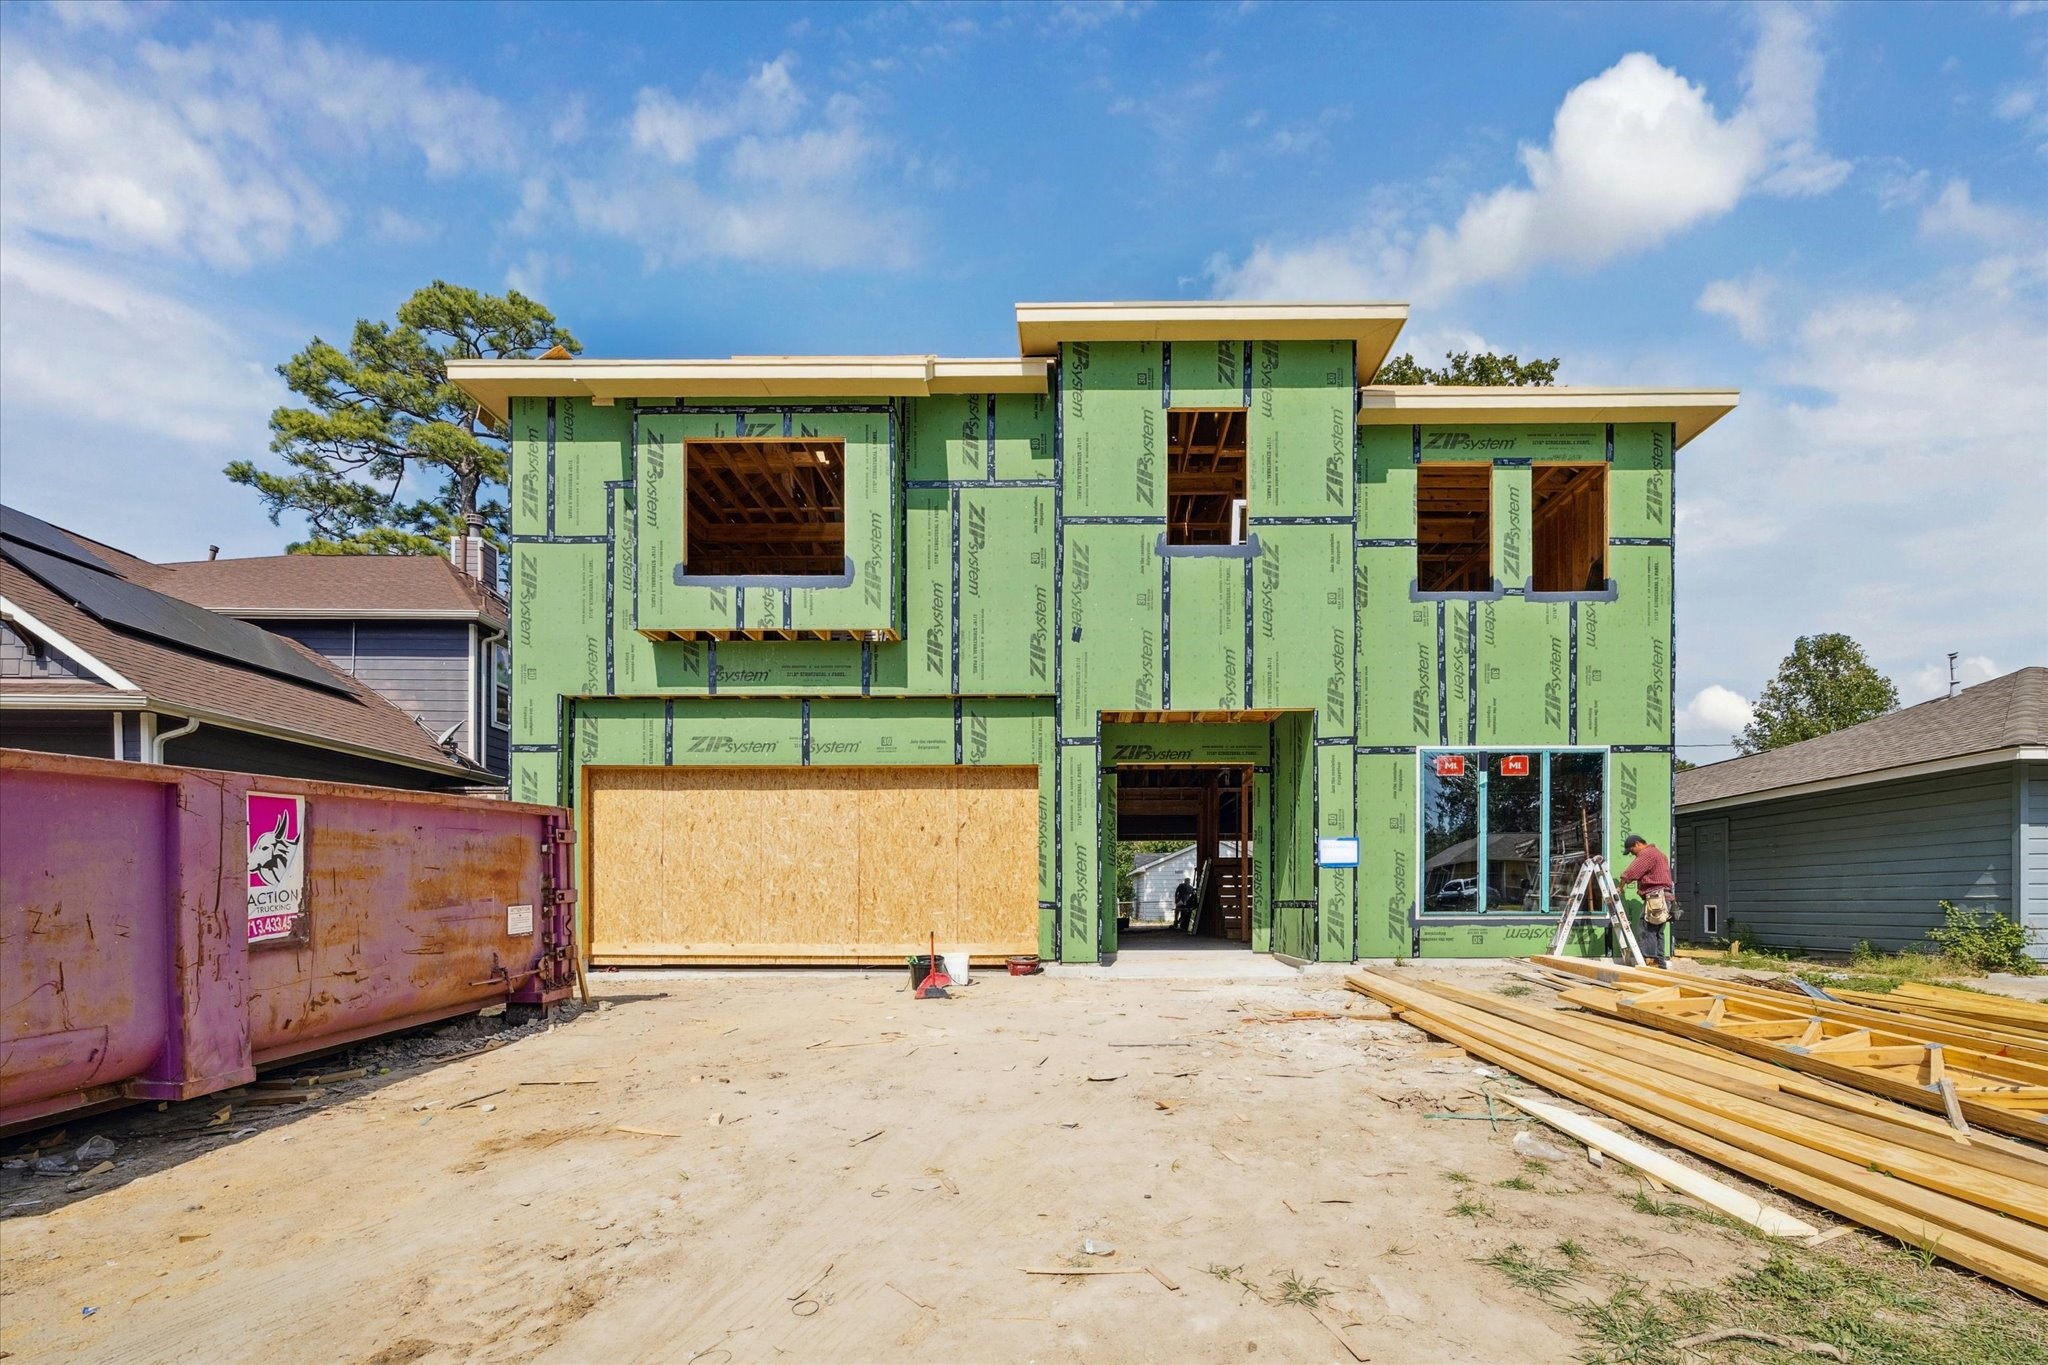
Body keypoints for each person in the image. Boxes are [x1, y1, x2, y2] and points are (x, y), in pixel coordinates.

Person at [1616, 834, 1675, 968]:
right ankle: (1660, 964)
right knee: (1657, 931)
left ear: (1637, 844)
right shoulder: (1659, 854)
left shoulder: (1647, 853)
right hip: (1665, 898)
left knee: (1646, 929)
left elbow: (1631, 872)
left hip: (1656, 898)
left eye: (1631, 850)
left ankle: (1651, 963)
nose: (1632, 854)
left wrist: (1620, 887)